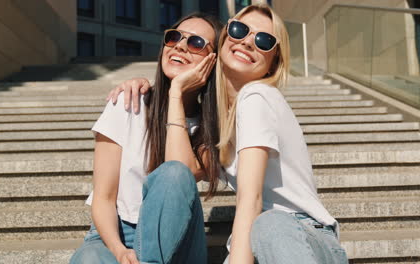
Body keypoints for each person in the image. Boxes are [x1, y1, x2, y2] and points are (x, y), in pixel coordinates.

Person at [109, 4, 348, 264]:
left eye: (263, 40)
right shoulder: (220, 121)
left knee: (270, 224)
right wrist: (174, 92)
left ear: (273, 62)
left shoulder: (256, 97)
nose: (247, 42)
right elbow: (179, 170)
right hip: (258, 241)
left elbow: (251, 198)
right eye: (239, 29)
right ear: (224, 39)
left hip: (300, 237)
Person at [70, 13, 222, 264]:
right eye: (174, 38)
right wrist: (119, 250)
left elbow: (179, 172)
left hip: (178, 238)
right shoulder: (128, 103)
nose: (180, 46)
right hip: (116, 233)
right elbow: (104, 198)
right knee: (89, 260)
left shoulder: (214, 128)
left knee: (173, 172)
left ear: (213, 61)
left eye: (195, 43)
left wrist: (176, 95)